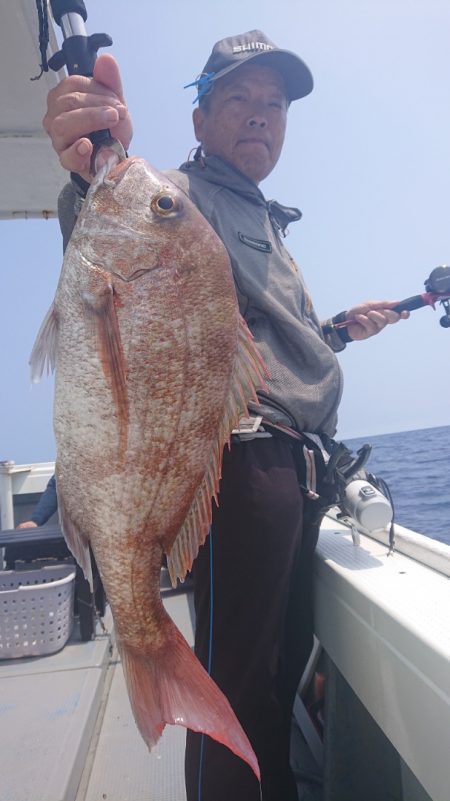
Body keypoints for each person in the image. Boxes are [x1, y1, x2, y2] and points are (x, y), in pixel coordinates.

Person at [42, 30, 408, 801]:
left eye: (273, 104)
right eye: (237, 99)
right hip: (243, 469)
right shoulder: (182, 196)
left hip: (301, 472)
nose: (259, 116)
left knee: (273, 681)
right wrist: (96, 159)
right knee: (236, 688)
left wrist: (339, 328)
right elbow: (118, 241)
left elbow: (250, 342)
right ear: (199, 120)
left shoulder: (264, 220)